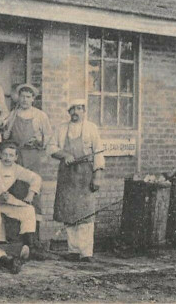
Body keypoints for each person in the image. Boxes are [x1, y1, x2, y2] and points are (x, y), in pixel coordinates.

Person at [47, 99, 105, 263]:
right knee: (69, 213)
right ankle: (73, 251)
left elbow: (99, 152)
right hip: (67, 175)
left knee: (85, 214)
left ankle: (86, 253)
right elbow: (51, 147)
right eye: (72, 109)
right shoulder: (61, 129)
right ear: (69, 112)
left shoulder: (91, 128)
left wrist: (97, 175)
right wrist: (64, 155)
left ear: (84, 111)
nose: (76, 112)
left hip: (85, 174)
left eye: (79, 109)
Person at [0, 141, 41, 259]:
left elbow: (36, 178)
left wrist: (30, 194)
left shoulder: (17, 169)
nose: (8, 158)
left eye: (11, 155)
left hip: (4, 201)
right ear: (0, 155)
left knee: (28, 210)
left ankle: (28, 245)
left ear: (16, 157)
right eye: (5, 154)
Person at [2, 83, 52, 227]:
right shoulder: (13, 114)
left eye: (28, 97)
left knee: (33, 187)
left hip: (33, 156)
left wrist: (39, 141)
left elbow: (49, 135)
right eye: (22, 96)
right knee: (16, 187)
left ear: (33, 99)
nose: (25, 100)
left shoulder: (40, 115)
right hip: (16, 157)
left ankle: (34, 229)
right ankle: (17, 226)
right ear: (18, 98)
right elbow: (5, 135)